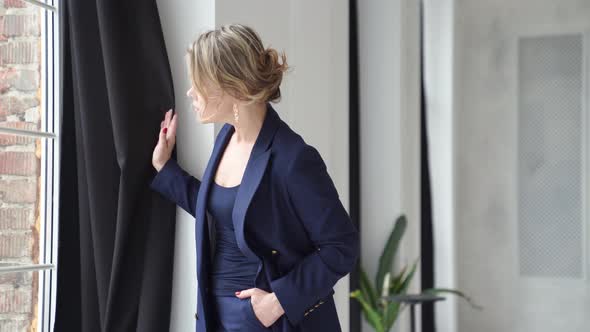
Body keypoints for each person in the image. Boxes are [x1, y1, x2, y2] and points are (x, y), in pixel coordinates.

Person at [150, 24, 359, 332]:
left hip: (268, 321)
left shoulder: (293, 159)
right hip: (214, 314)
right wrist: (165, 169)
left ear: (231, 88)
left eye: (199, 81)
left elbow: (342, 246)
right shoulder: (226, 137)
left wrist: (278, 302)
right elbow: (227, 214)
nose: (190, 92)